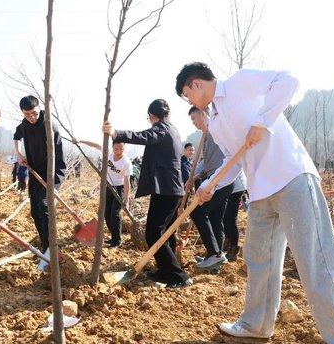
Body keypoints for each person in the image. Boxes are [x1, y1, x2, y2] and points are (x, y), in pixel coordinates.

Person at [176, 62, 334, 343]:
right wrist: (208, 185)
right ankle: (256, 325)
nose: (189, 101)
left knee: (315, 261)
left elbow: (289, 80)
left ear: (196, 84)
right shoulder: (216, 122)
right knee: (258, 261)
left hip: (291, 177)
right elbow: (233, 161)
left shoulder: (240, 83)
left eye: (186, 94)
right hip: (260, 193)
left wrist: (262, 121)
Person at [102, 99, 192, 288]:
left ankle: (178, 277)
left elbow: (144, 136)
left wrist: (117, 133)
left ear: (152, 116)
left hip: (167, 191)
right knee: (166, 233)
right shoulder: (172, 129)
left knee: (153, 233)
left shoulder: (161, 129)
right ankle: (165, 270)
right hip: (170, 190)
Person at [13, 95, 66, 253]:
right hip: (35, 173)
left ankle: (51, 247)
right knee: (35, 212)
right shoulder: (24, 125)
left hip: (53, 173)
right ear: (23, 112)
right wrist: (19, 154)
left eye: (34, 113)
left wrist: (55, 183)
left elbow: (58, 156)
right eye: (27, 114)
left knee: (44, 206)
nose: (32, 117)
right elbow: (16, 137)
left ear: (39, 109)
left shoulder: (49, 125)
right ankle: (45, 244)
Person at [187, 106, 234, 270]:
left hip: (220, 179)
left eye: (194, 118)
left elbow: (227, 157)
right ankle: (215, 254)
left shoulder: (215, 129)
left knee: (197, 212)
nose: (193, 123)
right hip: (214, 178)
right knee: (214, 218)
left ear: (202, 114)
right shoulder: (206, 135)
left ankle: (214, 253)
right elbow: (205, 163)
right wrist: (194, 176)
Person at [73, 138, 132, 247]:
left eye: (121, 149)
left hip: (120, 189)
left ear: (124, 149)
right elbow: (95, 145)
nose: (118, 151)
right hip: (108, 186)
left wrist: (126, 200)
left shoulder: (126, 162)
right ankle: (113, 236)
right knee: (106, 213)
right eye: (116, 149)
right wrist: (80, 141)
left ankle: (117, 241)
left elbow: (127, 181)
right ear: (113, 147)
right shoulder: (109, 152)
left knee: (115, 214)